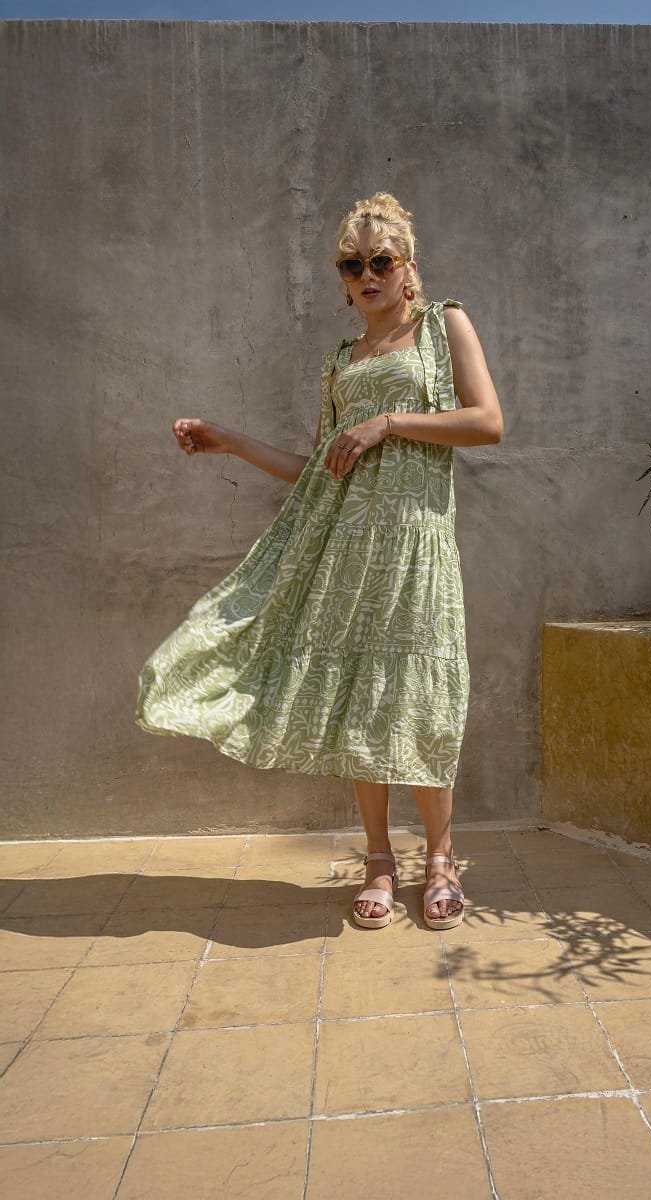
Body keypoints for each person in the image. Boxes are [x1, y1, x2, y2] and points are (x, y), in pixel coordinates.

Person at [135, 192, 503, 931]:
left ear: (408, 268)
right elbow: (319, 471)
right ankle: (379, 862)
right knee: (362, 703)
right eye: (350, 265)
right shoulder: (341, 362)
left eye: (380, 261)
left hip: (416, 546)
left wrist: (387, 422)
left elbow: (487, 422)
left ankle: (440, 860)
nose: (366, 275)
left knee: (420, 698)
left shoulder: (443, 325)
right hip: (348, 552)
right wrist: (231, 442)